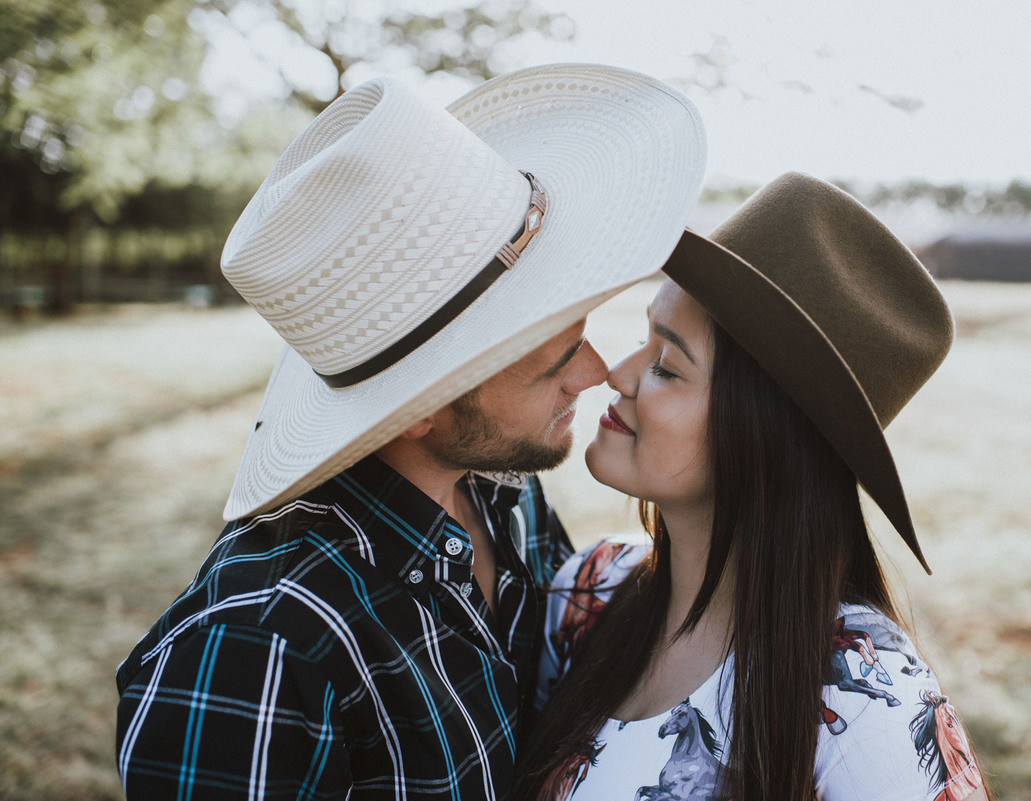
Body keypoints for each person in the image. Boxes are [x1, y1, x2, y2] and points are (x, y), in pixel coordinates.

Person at [114, 64, 706, 800]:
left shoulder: (503, 498)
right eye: (552, 357)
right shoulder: (262, 647)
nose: (593, 372)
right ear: (418, 406)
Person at [521, 173, 990, 800]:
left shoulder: (867, 697)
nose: (617, 374)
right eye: (643, 338)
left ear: (761, 435)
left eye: (666, 365)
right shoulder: (590, 590)